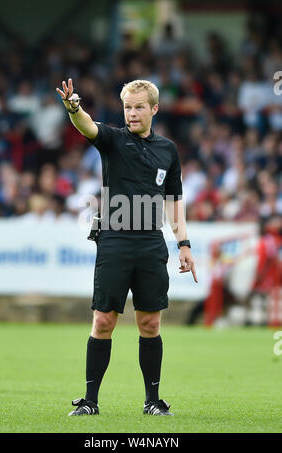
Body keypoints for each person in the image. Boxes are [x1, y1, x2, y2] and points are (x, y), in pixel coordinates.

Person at [56, 78, 198, 416]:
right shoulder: (113, 139)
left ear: (154, 109)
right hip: (115, 240)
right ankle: (90, 401)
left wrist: (185, 244)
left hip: (151, 241)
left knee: (150, 324)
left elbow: (174, 202)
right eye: (127, 107)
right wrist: (74, 108)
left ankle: (152, 401)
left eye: (138, 107)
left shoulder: (168, 150)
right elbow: (86, 125)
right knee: (103, 320)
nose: (132, 114)